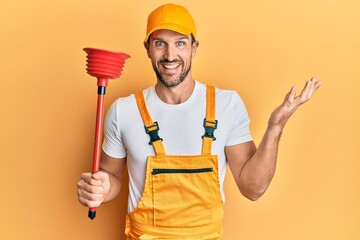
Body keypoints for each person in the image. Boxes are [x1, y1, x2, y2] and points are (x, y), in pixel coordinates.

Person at [77, 3, 321, 239]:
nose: (170, 55)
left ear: (194, 47)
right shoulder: (124, 110)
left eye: (180, 43)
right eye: (160, 43)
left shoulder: (227, 105)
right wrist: (101, 189)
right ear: (148, 48)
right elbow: (112, 176)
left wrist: (275, 127)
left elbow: (253, 189)